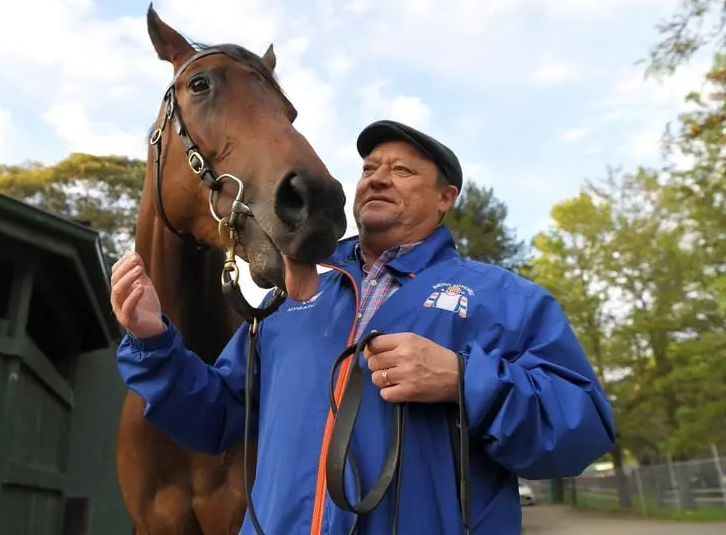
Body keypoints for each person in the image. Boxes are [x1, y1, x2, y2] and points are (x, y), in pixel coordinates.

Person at [112, 119, 616, 535]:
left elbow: (584, 427)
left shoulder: (505, 300)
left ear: (446, 198)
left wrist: (464, 381)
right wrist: (153, 341)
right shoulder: (290, 295)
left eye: (401, 170)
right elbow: (217, 417)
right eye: (369, 168)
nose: (376, 178)